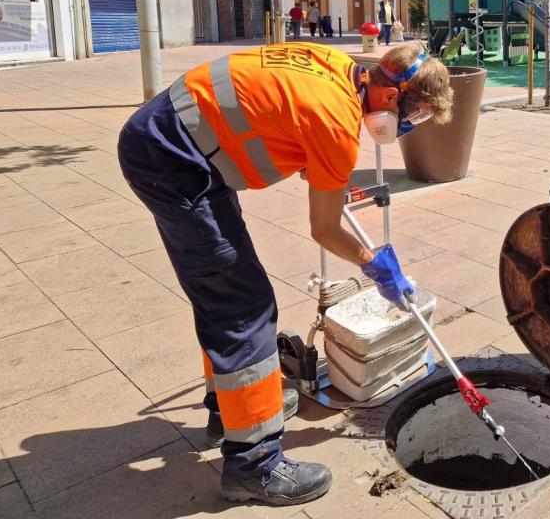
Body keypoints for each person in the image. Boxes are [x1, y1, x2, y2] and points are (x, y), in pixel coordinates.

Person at [117, 41, 453, 505]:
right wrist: (374, 264)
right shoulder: (335, 123)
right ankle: (254, 463)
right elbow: (324, 228)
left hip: (175, 142)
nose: (406, 128)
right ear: (392, 98)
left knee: (223, 294)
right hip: (174, 161)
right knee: (242, 306)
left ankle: (228, 411)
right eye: (412, 116)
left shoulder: (335, 65)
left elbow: (280, 116)